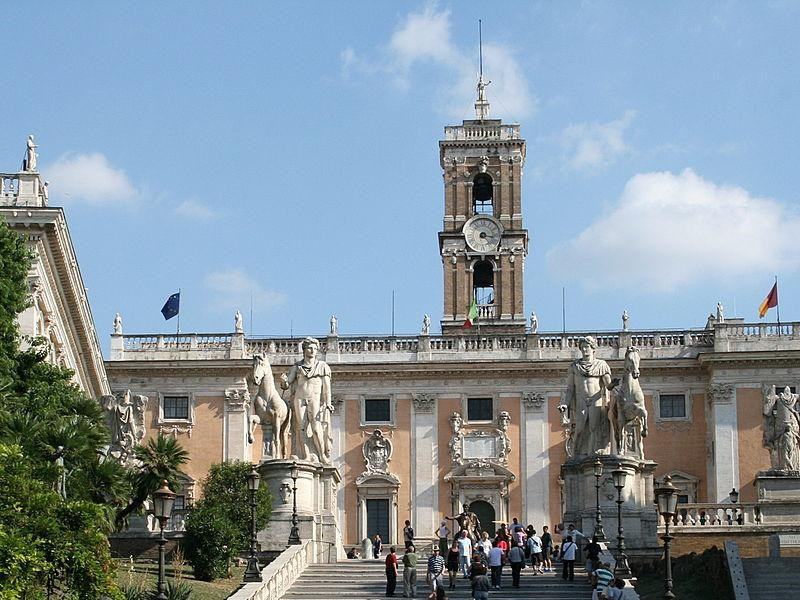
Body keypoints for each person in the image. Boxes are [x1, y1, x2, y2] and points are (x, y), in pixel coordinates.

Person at [560, 336, 615, 456]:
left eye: (587, 347)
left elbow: (608, 385)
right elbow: (570, 389)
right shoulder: (574, 367)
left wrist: (613, 384)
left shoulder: (601, 365)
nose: (585, 350)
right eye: (583, 347)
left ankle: (592, 455)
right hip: (581, 401)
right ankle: (577, 454)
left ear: (592, 348)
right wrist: (565, 404)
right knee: (579, 429)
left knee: (594, 427)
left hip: (596, 400)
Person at [280, 337, 333, 463]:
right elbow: (287, 384)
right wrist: (283, 382)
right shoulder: (297, 367)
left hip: (314, 398)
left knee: (316, 427)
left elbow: (326, 388)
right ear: (304, 350)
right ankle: (306, 455)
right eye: (310, 348)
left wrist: (328, 403)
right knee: (301, 428)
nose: (313, 350)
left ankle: (321, 455)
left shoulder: (322, 366)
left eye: (315, 348)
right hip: (299, 398)